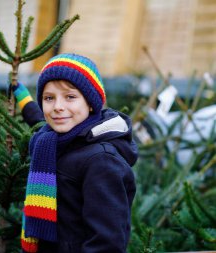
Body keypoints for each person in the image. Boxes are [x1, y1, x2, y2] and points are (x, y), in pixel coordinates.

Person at [12, 53, 138, 253]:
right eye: (49, 98)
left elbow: (107, 243)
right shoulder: (52, 139)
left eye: (70, 97)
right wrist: (25, 101)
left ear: (90, 103)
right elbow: (39, 122)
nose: (58, 107)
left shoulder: (102, 161)